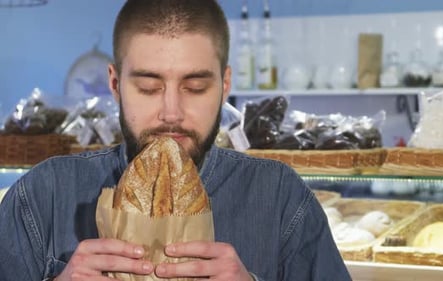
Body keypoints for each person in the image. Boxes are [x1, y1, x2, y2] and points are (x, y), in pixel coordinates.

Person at [0, 0, 351, 280]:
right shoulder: (42, 195)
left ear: (225, 85)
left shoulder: (280, 197)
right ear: (115, 84)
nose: (171, 112)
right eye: (149, 88)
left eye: (195, 87)